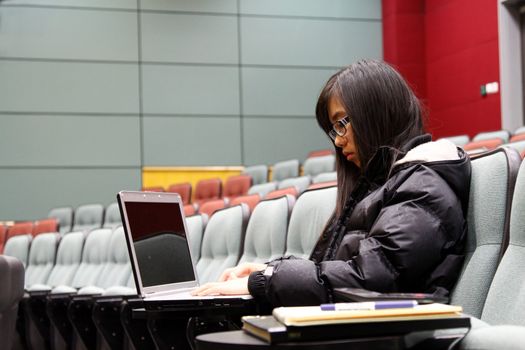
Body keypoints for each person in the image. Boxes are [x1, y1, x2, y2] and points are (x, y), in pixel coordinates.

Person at [192, 59, 471, 306]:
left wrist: (267, 281)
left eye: (341, 124)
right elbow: (334, 270)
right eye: (333, 130)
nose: (338, 140)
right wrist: (267, 270)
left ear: (376, 114)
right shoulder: (381, 184)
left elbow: (371, 278)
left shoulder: (423, 185)